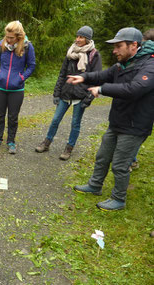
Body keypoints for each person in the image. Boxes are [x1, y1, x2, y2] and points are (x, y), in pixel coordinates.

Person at [69, 27, 154, 211]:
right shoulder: (122, 63)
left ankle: (118, 199)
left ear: (134, 45)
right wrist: (83, 77)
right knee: (102, 156)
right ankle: (95, 185)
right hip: (118, 121)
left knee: (120, 164)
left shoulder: (149, 65)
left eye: (118, 46)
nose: (114, 51)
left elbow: (134, 89)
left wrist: (101, 89)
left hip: (135, 125)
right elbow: (102, 75)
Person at [35, 26, 102, 160]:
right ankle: (46, 142)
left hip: (80, 95)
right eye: (77, 36)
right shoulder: (70, 53)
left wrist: (88, 99)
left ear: (87, 39)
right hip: (66, 93)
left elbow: (97, 78)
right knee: (55, 120)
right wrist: (56, 93)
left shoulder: (94, 55)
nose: (78, 39)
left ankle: (69, 148)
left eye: (81, 37)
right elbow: (62, 74)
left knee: (75, 123)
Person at [0, 21, 36, 154]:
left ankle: (11, 141)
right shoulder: (1, 44)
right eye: (7, 37)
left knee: (13, 117)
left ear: (19, 37)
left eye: (11, 38)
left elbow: (31, 65)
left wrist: (21, 78)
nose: (8, 40)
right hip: (0, 87)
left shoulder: (27, 47)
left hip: (17, 89)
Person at [129, 28, 154, 171]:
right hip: (140, 107)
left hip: (144, 106)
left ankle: (130, 161)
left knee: (136, 132)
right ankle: (131, 160)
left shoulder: (146, 61)